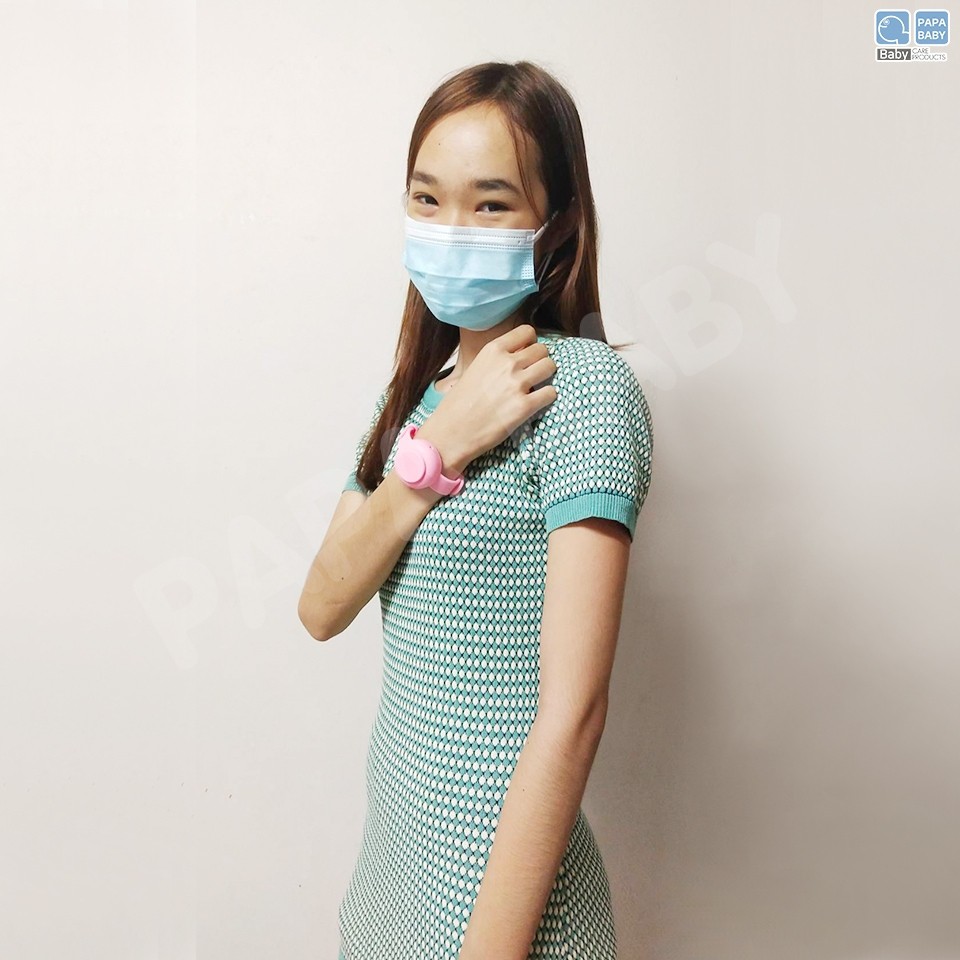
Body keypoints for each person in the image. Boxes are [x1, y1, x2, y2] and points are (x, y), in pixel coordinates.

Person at [299, 60, 654, 960]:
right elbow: (322, 605)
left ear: (556, 222)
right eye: (427, 199)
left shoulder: (585, 391)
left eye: (491, 203)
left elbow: (574, 716)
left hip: (502, 919)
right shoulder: (412, 401)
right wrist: (435, 455)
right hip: (392, 893)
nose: (450, 230)